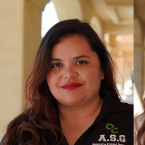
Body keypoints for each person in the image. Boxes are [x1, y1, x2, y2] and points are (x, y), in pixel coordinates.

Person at [0, 19, 133, 145]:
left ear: (102, 70)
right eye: (56, 65)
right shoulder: (22, 132)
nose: (69, 73)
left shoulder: (133, 123)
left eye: (81, 62)